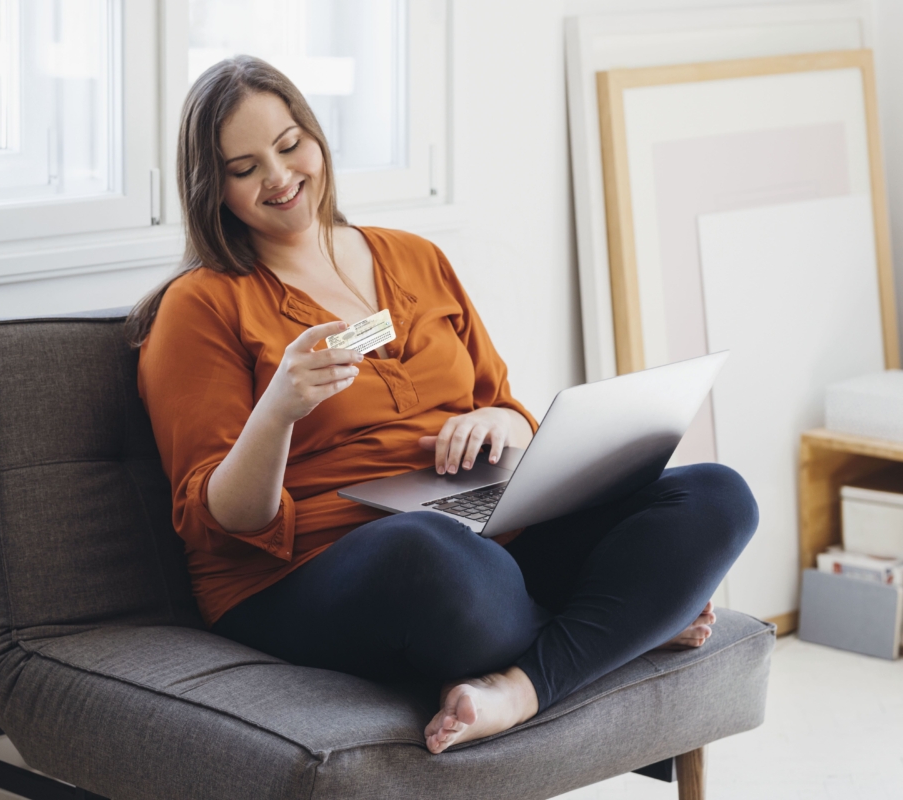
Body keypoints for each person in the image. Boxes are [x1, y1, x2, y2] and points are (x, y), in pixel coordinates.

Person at [131, 56, 757, 755]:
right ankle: (626, 620)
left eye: (288, 146)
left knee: (716, 494)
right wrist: (276, 409)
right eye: (243, 169)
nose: (279, 178)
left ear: (315, 135)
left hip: (479, 520)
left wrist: (497, 421)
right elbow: (216, 522)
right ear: (210, 187)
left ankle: (522, 688)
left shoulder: (416, 258)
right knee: (441, 558)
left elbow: (510, 411)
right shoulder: (200, 306)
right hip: (311, 568)